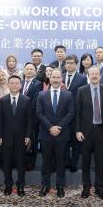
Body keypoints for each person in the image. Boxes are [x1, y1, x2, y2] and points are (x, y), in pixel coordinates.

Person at [36, 69, 75, 198]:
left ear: (61, 79)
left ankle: (60, 187)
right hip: (46, 134)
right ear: (50, 79)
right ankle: (45, 186)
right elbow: (39, 113)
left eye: (58, 77)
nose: (56, 79)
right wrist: (50, 127)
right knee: (46, 162)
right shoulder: (42, 94)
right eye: (54, 77)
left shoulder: (68, 95)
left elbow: (71, 113)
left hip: (62, 134)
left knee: (60, 162)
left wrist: (58, 127)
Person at [75, 66, 103, 199]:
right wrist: (78, 130)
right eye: (92, 74)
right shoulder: (81, 90)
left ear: (100, 76)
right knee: (85, 161)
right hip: (86, 132)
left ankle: (99, 187)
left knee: (100, 161)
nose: (95, 76)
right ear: (88, 76)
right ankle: (86, 187)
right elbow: (77, 112)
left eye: (97, 74)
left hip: (102, 131)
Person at [0, 75, 33, 196]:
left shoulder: (26, 100)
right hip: (6, 137)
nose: (14, 85)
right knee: (6, 163)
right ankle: (8, 185)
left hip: (21, 137)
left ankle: (20, 186)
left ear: (20, 85)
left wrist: (28, 135)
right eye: (11, 83)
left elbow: (29, 120)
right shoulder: (2, 100)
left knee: (21, 163)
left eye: (17, 83)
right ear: (8, 84)